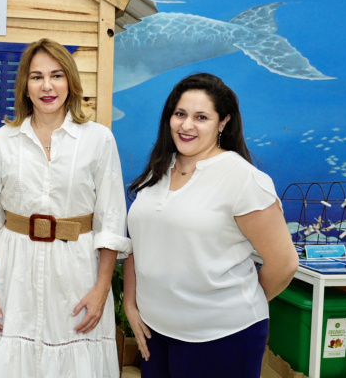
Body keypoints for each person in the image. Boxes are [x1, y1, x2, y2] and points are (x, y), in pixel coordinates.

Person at [0, 38, 130, 377]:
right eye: (36, 77)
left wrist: (102, 290)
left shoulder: (98, 140)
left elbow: (111, 222)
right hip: (15, 271)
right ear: (24, 87)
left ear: (70, 82)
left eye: (56, 75)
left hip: (77, 271)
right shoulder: (4, 140)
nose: (47, 86)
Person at [124, 73, 299, 378]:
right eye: (180, 114)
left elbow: (284, 264)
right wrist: (130, 304)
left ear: (223, 122)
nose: (186, 125)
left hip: (223, 339)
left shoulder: (242, 179)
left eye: (201, 117)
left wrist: (230, 308)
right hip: (155, 333)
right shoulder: (158, 172)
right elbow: (138, 245)